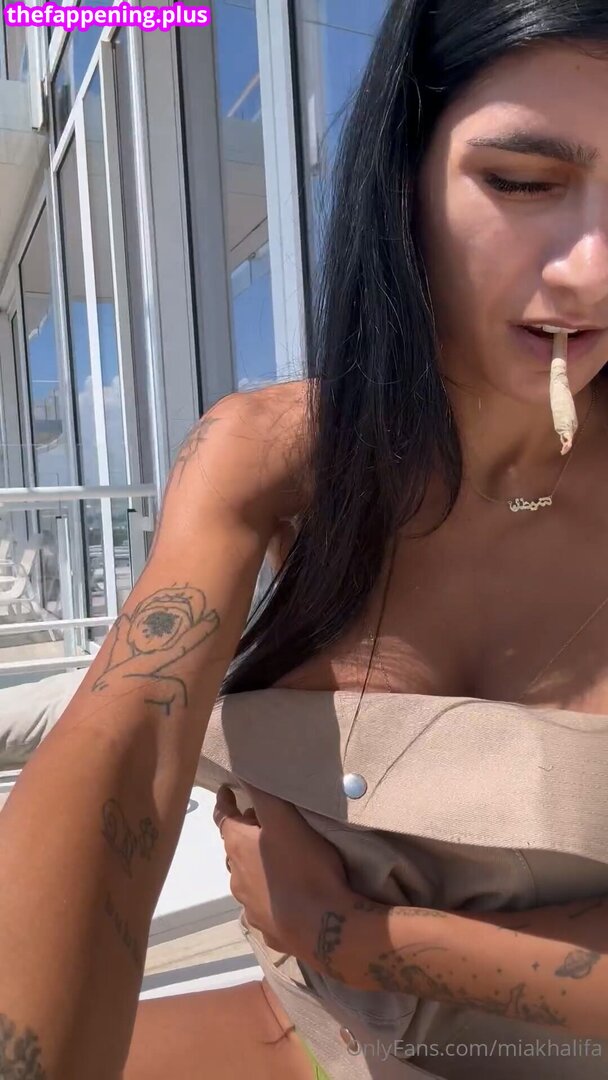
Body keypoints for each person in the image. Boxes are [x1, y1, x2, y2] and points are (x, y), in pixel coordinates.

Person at [3, 0, 608, 1077]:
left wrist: (356, 937)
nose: (591, 269)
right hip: (311, 1041)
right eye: (521, 182)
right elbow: (122, 752)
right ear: (403, 178)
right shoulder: (279, 459)